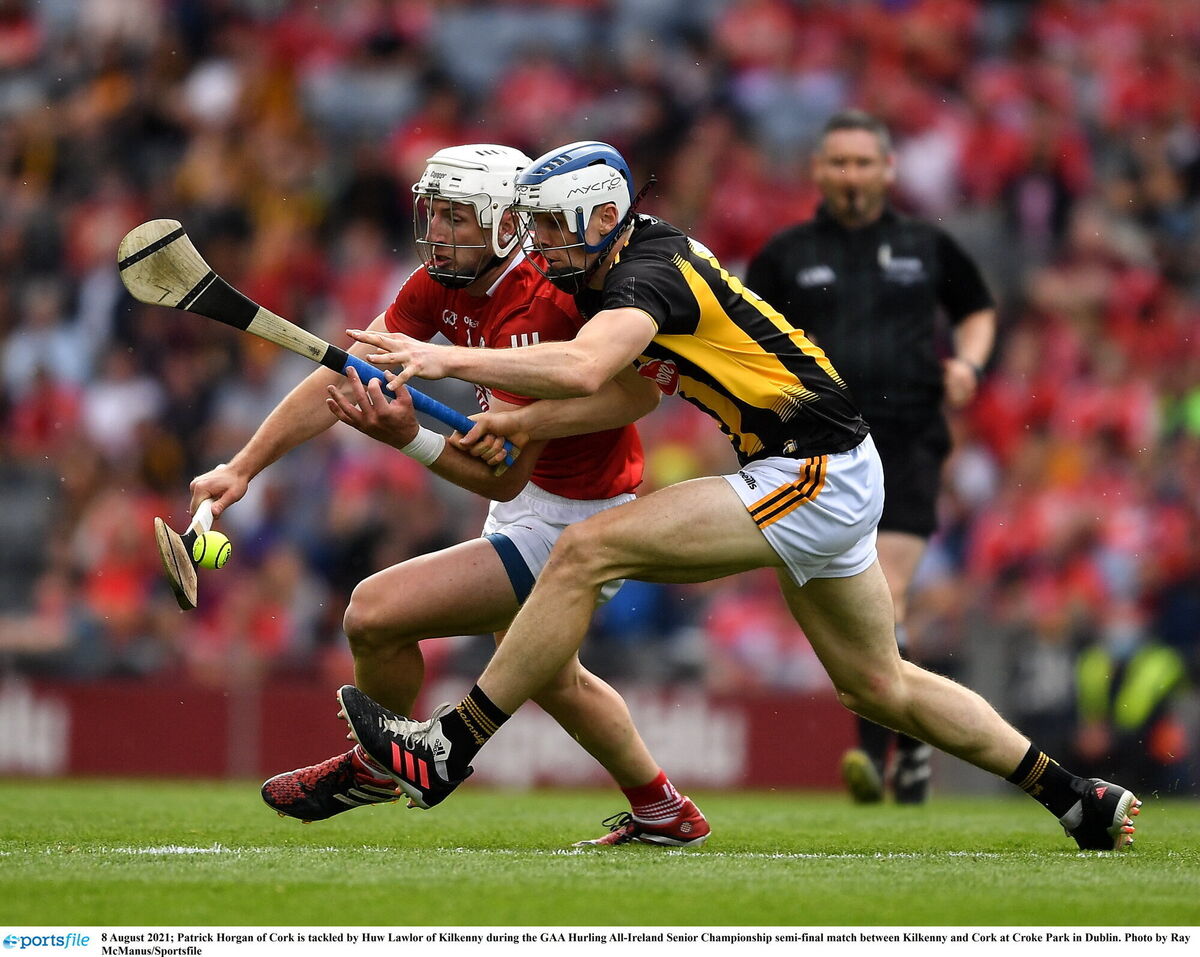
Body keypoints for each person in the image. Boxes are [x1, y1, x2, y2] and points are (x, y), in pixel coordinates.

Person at [340, 139, 1140, 853]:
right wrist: (521, 417)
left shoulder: (644, 276)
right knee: (879, 685)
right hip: (829, 466)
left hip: (808, 472)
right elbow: (618, 389)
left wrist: (442, 362)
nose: (538, 245)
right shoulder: (627, 262)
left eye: (550, 227)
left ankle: (449, 744)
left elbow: (587, 367)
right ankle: (1074, 796)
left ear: (600, 217)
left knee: (586, 549)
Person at [190, 144, 710, 848]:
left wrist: (408, 437)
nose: (438, 231)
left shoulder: (548, 303)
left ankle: (378, 766)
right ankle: (662, 808)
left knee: (374, 612)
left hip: (577, 516)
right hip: (534, 502)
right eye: (433, 213)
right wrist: (244, 466)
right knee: (557, 680)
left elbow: (510, 470)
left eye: (459, 217)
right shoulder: (439, 283)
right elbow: (346, 371)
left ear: (505, 224)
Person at [744, 109, 997, 805]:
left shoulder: (927, 244)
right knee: (871, 603)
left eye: (863, 162)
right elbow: (740, 339)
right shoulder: (786, 254)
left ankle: (871, 752)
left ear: (888, 170)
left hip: (912, 436)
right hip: (821, 448)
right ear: (819, 171)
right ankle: (910, 748)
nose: (851, 174)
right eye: (839, 162)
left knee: (887, 592)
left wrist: (969, 364)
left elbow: (977, 309)